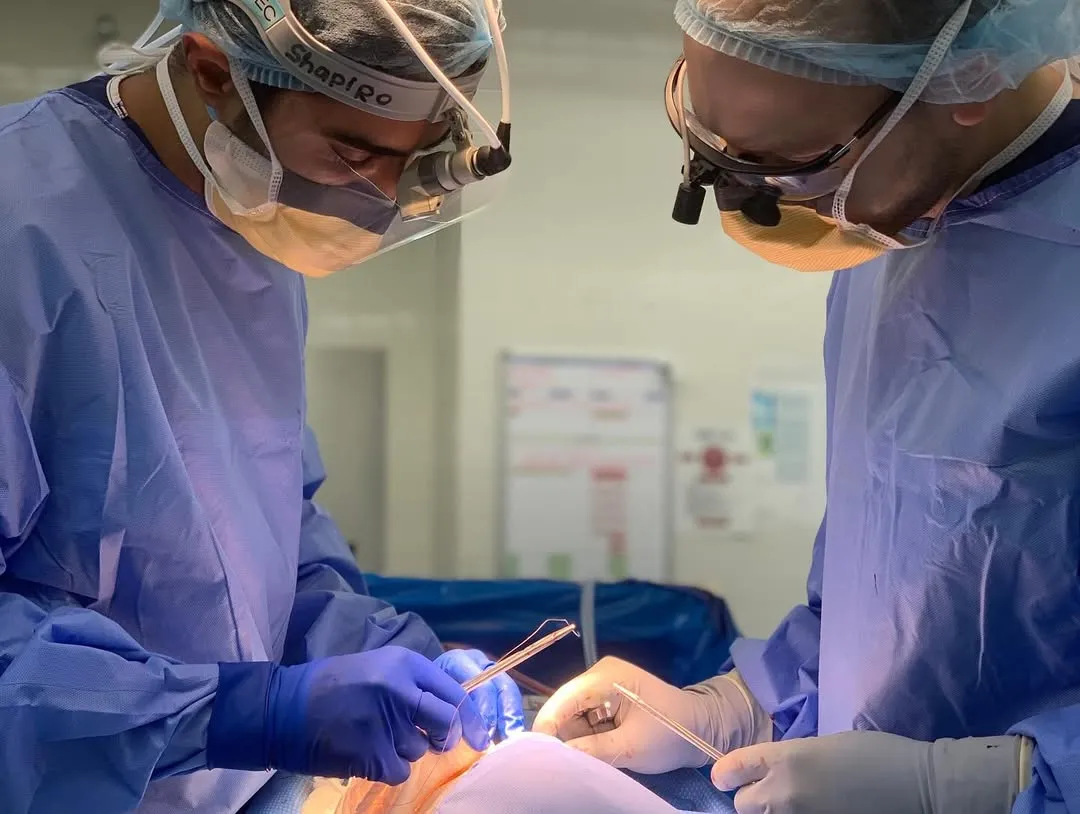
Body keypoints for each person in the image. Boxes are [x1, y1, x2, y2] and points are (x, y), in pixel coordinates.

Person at [535, 1, 1080, 813]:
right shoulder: (889, 241)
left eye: (791, 163)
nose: (755, 200)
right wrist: (733, 710)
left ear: (970, 75)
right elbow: (879, 599)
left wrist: (978, 788)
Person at [0, 1, 521, 812]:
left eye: (414, 162)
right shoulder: (19, 223)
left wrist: (385, 653)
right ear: (214, 71)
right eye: (354, 152)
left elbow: (265, 540)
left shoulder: (249, 229)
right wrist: (244, 712)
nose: (377, 199)